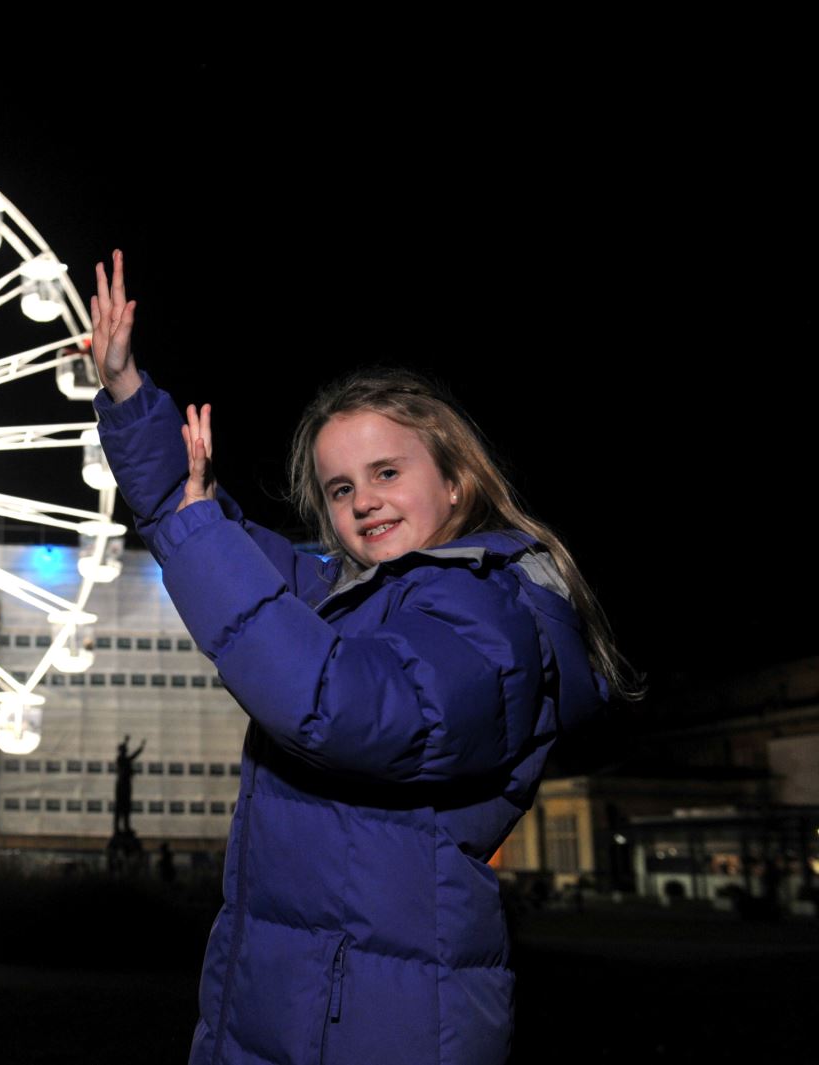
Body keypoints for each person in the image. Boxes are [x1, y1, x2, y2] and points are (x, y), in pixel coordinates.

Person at [88, 251, 630, 1065]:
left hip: (376, 1019)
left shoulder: (491, 613)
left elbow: (339, 706)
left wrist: (200, 531)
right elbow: (193, 523)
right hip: (292, 1000)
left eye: (386, 471)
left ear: (455, 484)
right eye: (339, 488)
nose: (362, 498)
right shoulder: (353, 598)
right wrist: (128, 394)